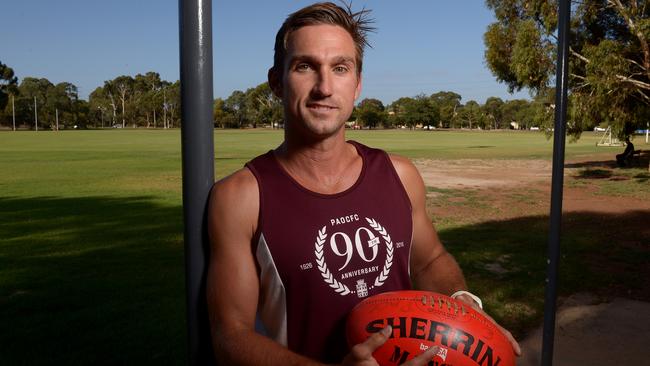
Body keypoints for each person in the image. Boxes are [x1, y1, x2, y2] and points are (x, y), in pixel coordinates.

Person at [206, 2, 521, 365]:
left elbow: (431, 259)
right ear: (277, 82)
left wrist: (462, 303)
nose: (324, 87)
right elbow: (230, 336)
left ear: (356, 85)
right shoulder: (241, 197)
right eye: (305, 66)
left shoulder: (399, 175)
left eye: (340, 68)